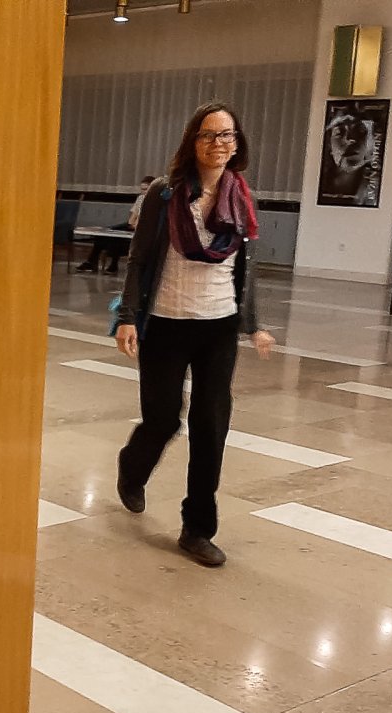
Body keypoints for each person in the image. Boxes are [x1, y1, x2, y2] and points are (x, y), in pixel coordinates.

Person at [112, 102, 276, 567]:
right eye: (208, 134)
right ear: (193, 140)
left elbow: (246, 268)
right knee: (163, 419)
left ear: (237, 143)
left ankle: (197, 528)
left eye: (227, 135)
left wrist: (254, 323)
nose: (218, 143)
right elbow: (140, 258)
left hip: (219, 325)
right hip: (166, 321)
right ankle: (133, 466)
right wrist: (127, 316)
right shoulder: (165, 194)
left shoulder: (241, 195)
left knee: (211, 426)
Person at [77, 175, 155, 275]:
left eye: (145, 189)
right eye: (142, 189)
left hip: (143, 228)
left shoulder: (155, 202)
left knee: (116, 239)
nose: (143, 192)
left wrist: (136, 224)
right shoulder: (140, 198)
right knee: (105, 232)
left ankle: (113, 265)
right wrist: (132, 223)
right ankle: (91, 262)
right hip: (132, 224)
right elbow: (132, 218)